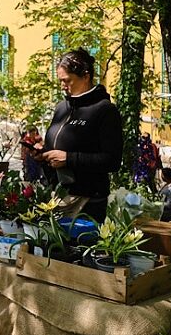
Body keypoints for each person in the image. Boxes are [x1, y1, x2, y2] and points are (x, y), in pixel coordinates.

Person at [26, 48, 123, 222]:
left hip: (88, 201)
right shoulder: (61, 107)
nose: (63, 86)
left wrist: (69, 158)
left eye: (67, 80)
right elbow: (58, 147)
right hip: (56, 195)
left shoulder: (105, 111)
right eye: (60, 81)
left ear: (86, 76)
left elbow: (113, 161)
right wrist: (43, 153)